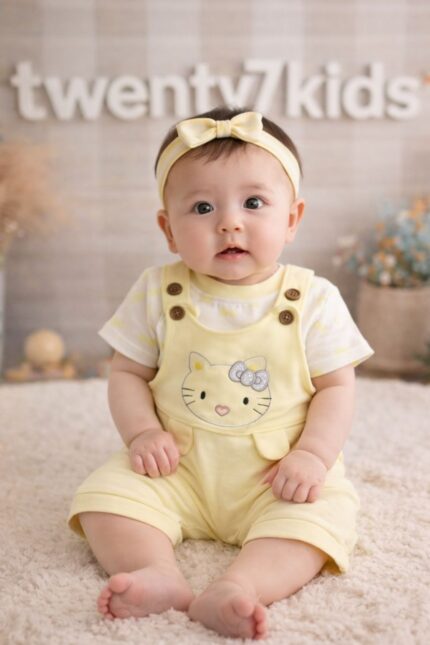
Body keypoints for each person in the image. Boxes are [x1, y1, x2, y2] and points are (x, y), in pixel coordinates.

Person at [68, 107, 373, 640]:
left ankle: (240, 586)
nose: (229, 222)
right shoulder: (157, 291)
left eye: (253, 203)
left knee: (317, 522)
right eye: (202, 207)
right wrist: (142, 433)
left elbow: (336, 387)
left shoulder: (313, 299)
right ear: (168, 229)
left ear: (292, 219)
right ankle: (156, 572)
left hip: (277, 475)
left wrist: (313, 455)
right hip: (176, 468)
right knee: (104, 500)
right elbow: (127, 374)